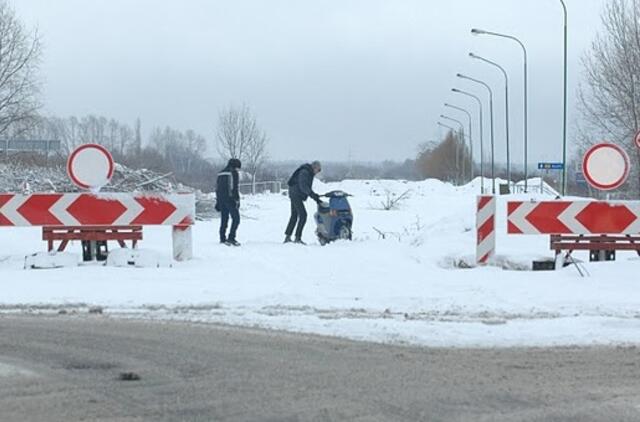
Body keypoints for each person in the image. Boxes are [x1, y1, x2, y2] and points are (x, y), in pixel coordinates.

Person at [284, 161, 322, 244]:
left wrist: (315, 196)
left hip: (294, 193)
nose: (317, 172)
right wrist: (313, 195)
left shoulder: (308, 172)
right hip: (295, 194)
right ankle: (297, 238)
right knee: (303, 215)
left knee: (294, 215)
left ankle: (288, 237)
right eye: (318, 170)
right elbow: (303, 187)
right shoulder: (305, 172)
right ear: (314, 167)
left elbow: (305, 187)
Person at [216, 158, 242, 246]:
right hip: (230, 200)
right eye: (238, 167)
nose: (238, 169)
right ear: (235, 166)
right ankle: (231, 237)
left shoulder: (220, 173)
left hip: (221, 199)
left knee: (224, 219)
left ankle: (222, 238)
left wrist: (218, 201)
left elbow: (217, 188)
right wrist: (237, 200)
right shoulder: (233, 173)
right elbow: (235, 188)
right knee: (236, 219)